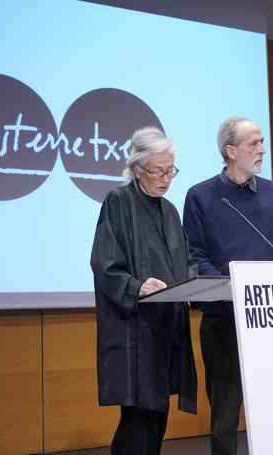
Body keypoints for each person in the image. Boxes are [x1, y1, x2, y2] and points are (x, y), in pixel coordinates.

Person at [183, 116, 273, 455]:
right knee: (225, 412)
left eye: (262, 141)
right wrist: (232, 286)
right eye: (254, 143)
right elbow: (194, 255)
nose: (262, 149)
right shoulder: (201, 196)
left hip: (270, 319)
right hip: (224, 319)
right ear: (231, 150)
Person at [90, 127, 197, 454]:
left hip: (166, 329)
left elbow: (186, 261)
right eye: (157, 171)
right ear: (137, 169)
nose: (166, 178)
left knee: (156, 418)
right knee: (138, 420)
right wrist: (137, 287)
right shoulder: (119, 201)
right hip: (136, 331)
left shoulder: (169, 210)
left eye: (170, 171)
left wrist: (196, 284)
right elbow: (104, 263)